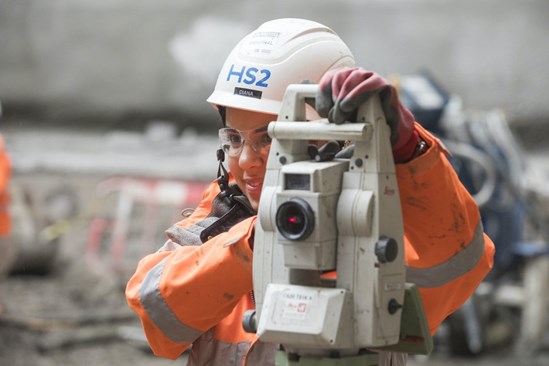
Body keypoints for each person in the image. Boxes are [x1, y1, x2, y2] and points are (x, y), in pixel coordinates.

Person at [126, 18, 495, 366]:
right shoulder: (225, 216)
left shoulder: (367, 222)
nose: (246, 161)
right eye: (235, 139)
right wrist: (259, 241)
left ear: (330, 140)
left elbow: (455, 262)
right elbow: (159, 317)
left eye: (270, 139)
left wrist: (407, 149)